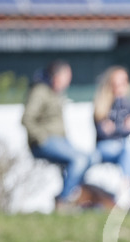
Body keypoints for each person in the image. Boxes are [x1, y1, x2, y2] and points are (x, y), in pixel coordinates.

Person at [22, 59, 96, 211]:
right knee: (79, 159)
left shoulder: (55, 93)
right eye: (67, 77)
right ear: (57, 76)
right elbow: (27, 119)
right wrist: (41, 139)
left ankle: (77, 198)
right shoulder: (40, 91)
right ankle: (64, 200)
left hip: (60, 141)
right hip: (45, 142)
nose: (68, 81)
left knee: (90, 158)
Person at [93, 66, 130, 195]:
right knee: (129, 148)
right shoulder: (102, 104)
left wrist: (115, 128)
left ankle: (127, 191)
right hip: (105, 148)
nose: (121, 86)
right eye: (117, 83)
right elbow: (103, 133)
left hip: (125, 147)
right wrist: (123, 127)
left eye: (124, 82)